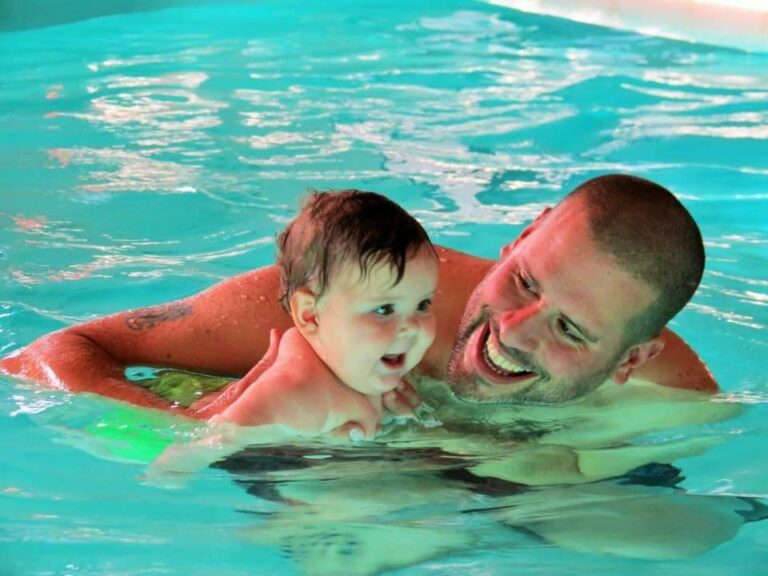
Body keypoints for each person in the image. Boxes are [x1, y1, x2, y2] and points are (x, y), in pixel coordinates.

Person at [0, 174, 717, 420]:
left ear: (631, 360)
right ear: (519, 238)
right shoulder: (359, 303)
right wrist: (198, 429)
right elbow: (47, 353)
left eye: (570, 329)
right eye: (523, 282)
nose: (514, 332)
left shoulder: (674, 406)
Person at [201, 189, 438, 437]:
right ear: (310, 316)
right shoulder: (296, 393)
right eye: (384, 309)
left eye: (422, 305)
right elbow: (195, 451)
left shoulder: (363, 368)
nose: (412, 326)